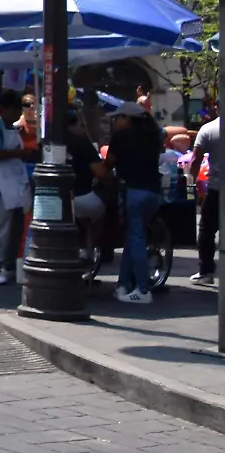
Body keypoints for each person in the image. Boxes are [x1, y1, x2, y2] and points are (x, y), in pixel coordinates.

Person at [110, 101, 164, 303]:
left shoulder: (120, 138)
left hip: (134, 192)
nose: (115, 122)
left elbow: (108, 165)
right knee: (134, 239)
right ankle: (123, 284)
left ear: (127, 119)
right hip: (153, 192)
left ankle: (143, 289)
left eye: (118, 117)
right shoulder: (152, 136)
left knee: (136, 239)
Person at [0, 89, 32, 286]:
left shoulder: (13, 128)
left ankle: (11, 265)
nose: (17, 114)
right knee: (2, 228)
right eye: (15, 110)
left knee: (16, 228)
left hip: (16, 182)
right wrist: (18, 154)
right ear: (4, 110)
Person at [61, 109, 107, 262]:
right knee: (101, 211)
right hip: (81, 197)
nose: (84, 127)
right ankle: (88, 249)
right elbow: (100, 172)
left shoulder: (51, 142)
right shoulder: (82, 143)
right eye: (81, 124)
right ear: (72, 125)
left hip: (54, 200)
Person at [193, 116, 220, 286]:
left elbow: (196, 160)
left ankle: (206, 271)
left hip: (217, 188)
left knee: (206, 230)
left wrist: (193, 182)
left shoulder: (208, 129)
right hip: (216, 187)